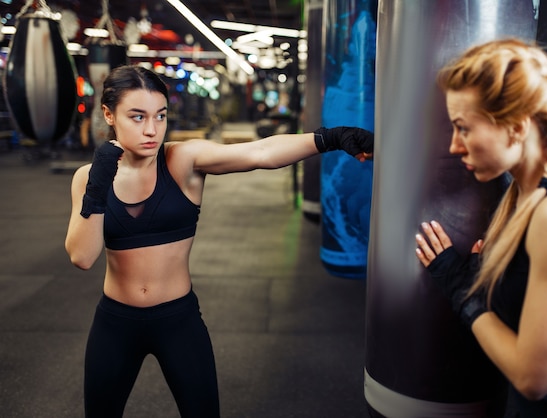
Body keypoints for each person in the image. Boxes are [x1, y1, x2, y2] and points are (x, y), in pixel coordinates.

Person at [64, 64, 373, 418]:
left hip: (177, 321)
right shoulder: (86, 178)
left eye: (160, 116)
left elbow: (260, 153)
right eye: (137, 117)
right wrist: (99, 182)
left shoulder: (182, 160)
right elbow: (83, 256)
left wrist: (330, 138)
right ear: (109, 114)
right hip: (115, 323)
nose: (152, 130)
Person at [414, 38, 547, 417]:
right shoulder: (528, 194)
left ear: (516, 127)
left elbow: (533, 377)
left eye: (463, 128)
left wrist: (465, 295)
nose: (453, 146)